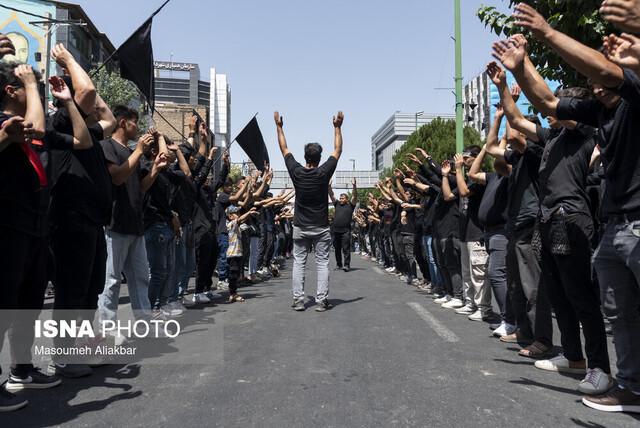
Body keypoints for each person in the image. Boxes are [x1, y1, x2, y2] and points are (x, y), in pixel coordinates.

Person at [512, 3, 640, 411]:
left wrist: (547, 33)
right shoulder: (599, 114)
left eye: (607, 73)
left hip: (618, 223)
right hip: (613, 225)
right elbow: (548, 102)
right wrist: (520, 67)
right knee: (616, 313)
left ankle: (595, 364)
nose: (600, 82)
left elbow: (608, 74)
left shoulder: (631, 98)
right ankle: (629, 385)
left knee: (585, 300)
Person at [0, 60, 64, 409]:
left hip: (35, 229)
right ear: (11, 91)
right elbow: (37, 131)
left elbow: (38, 137)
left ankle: (21, 370)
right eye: (27, 86)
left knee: (28, 306)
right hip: (8, 226)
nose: (36, 93)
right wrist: (31, 81)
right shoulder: (6, 121)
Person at [275, 110, 342, 312]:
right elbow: (338, 150)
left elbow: (284, 148)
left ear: (305, 157)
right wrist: (337, 127)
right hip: (321, 227)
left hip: (300, 227)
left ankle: (298, 300)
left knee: (299, 263)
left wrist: (279, 126)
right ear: (320, 158)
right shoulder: (324, 172)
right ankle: (321, 301)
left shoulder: (296, 171)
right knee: (322, 264)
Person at [98, 106, 156, 327]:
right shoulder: (107, 146)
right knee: (111, 281)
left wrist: (155, 169)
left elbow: (140, 187)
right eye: (134, 122)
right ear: (122, 123)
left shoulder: (133, 152)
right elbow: (117, 178)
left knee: (141, 278)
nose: (138, 127)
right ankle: (106, 330)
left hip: (135, 225)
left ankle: (144, 323)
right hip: (115, 223)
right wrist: (139, 151)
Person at [329, 178, 357, 272]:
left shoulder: (350, 205)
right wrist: (329, 186)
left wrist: (354, 186)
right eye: (340, 198)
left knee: (346, 249)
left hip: (345, 231)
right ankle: (339, 264)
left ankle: (346, 265)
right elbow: (331, 195)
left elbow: (354, 196)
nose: (341, 199)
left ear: (347, 199)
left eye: (343, 198)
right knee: (337, 249)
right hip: (336, 231)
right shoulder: (336, 204)